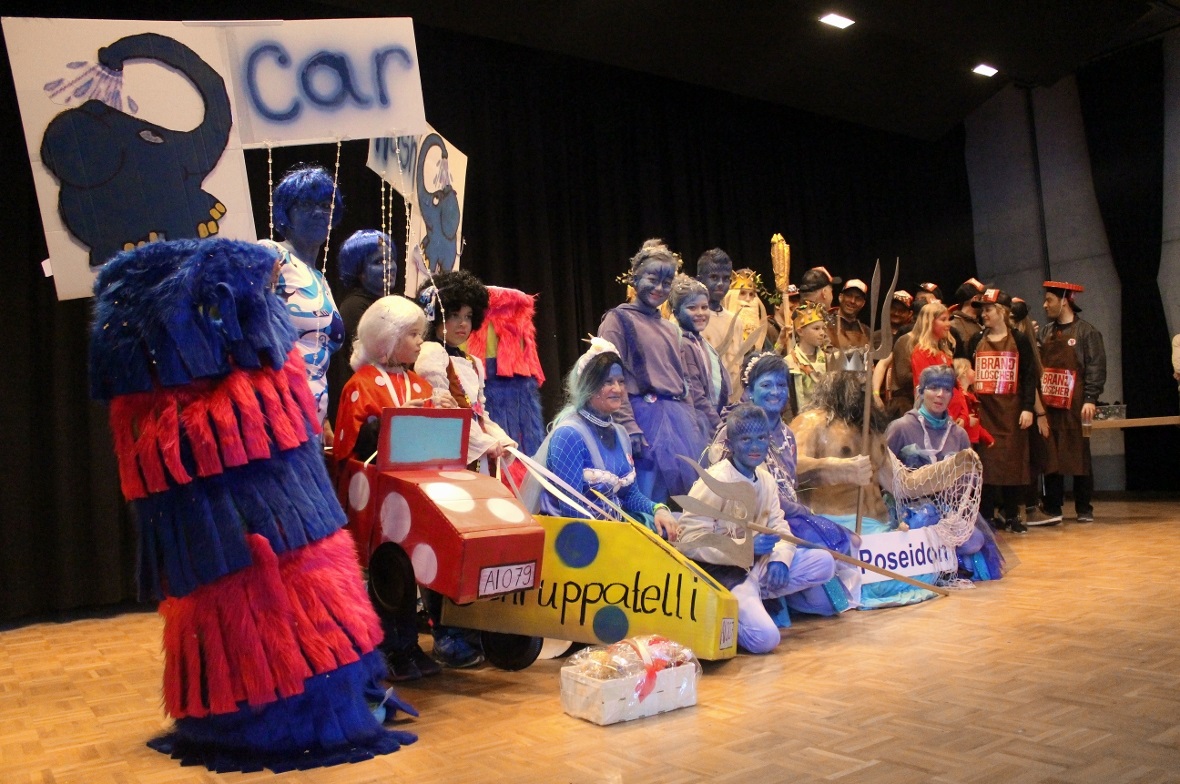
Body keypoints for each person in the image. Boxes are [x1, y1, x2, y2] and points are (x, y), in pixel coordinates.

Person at [90, 239, 415, 771]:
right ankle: (277, 711)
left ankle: (307, 700)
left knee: (291, 574)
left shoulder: (257, 376)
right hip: (240, 513)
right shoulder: (188, 393)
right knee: (250, 583)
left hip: (278, 494)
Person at [334, 295, 457, 680]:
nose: (421, 342)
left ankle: (409, 645)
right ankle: (389, 647)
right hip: (379, 500)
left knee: (410, 574)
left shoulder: (419, 383)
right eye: (413, 335)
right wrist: (391, 424)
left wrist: (442, 411)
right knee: (388, 575)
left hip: (413, 497)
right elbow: (351, 446)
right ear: (387, 339)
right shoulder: (360, 385)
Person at [705, 353, 869, 617]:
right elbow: (739, 493)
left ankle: (781, 593)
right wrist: (800, 514)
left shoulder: (787, 435)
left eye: (781, 385)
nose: (775, 392)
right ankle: (758, 595)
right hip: (750, 527)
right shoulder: (732, 431)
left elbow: (790, 484)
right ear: (749, 391)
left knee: (828, 604)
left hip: (786, 522)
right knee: (822, 538)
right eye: (766, 385)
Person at [677, 404, 837, 654]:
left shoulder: (766, 480)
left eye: (761, 438)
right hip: (726, 574)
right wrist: (746, 548)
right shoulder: (715, 480)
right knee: (766, 639)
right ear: (731, 443)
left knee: (824, 562)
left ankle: (756, 598)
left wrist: (780, 560)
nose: (755, 447)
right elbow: (690, 540)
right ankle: (728, 614)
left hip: (759, 566)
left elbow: (779, 527)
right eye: (746, 439)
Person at [534, 338, 678, 539]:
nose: (617, 389)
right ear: (589, 386)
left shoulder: (620, 433)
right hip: (578, 543)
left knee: (678, 526)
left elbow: (630, 495)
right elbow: (572, 512)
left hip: (614, 533)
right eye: (607, 382)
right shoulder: (569, 435)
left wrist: (658, 509)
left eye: (621, 381)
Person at [598, 241, 708, 503]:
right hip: (644, 422)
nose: (659, 288)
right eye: (652, 279)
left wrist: (693, 422)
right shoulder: (618, 320)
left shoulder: (671, 329)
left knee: (687, 501)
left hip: (678, 424)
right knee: (647, 498)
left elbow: (684, 382)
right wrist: (628, 423)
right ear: (635, 278)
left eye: (666, 282)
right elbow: (610, 377)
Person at [883, 366, 1004, 581]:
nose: (940, 394)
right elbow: (881, 470)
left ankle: (947, 563)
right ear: (921, 391)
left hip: (947, 509)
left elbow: (966, 483)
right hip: (907, 509)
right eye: (933, 387)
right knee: (921, 525)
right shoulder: (901, 427)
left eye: (947, 389)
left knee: (975, 540)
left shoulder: (959, 434)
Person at [259, 166, 346, 431]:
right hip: (274, 413)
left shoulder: (320, 279)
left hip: (313, 417)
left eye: (325, 205)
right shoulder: (269, 253)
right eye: (306, 204)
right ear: (286, 213)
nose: (319, 212)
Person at [966, 289, 1037, 533]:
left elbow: (1029, 375)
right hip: (985, 412)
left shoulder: (1020, 340)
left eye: (988, 309)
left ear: (1002, 312)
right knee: (985, 463)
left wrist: (1028, 408)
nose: (983, 314)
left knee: (1013, 462)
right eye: (982, 310)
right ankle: (986, 514)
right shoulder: (976, 341)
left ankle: (1012, 514)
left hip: (1011, 411)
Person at [1039, 281, 1106, 523]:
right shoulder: (1045, 332)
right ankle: (1053, 507)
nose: (1045, 305)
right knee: (1051, 455)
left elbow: (1096, 367)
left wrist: (1090, 398)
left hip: (1076, 405)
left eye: (1049, 300)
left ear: (1064, 301)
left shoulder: (1087, 332)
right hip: (1049, 405)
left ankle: (1084, 508)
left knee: (1079, 454)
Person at [327, 230, 395, 422]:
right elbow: (374, 359)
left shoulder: (388, 303)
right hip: (367, 404)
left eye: (391, 260)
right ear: (360, 271)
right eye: (379, 262)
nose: (389, 267)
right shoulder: (355, 306)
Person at [670, 274, 730, 437]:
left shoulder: (700, 342)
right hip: (700, 424)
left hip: (712, 418)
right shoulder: (684, 345)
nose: (700, 313)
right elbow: (695, 393)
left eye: (704, 307)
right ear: (676, 313)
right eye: (692, 308)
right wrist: (718, 425)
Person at [909, 301, 967, 426]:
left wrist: (964, 414)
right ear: (929, 323)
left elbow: (957, 387)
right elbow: (927, 390)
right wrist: (946, 418)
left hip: (955, 420)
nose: (948, 324)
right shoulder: (921, 353)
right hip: (936, 421)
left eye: (948, 319)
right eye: (943, 320)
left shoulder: (944, 355)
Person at [696, 248, 743, 401]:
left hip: (733, 401)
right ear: (699, 280)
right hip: (703, 399)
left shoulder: (735, 321)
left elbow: (738, 364)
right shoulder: (691, 319)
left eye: (726, 278)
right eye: (714, 277)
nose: (720, 284)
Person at [785, 301, 829, 417]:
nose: (822, 333)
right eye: (816, 328)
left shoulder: (828, 360)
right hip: (800, 418)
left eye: (823, 328)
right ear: (800, 331)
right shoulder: (789, 362)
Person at [951, 358, 994, 450]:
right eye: (971, 368)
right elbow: (953, 418)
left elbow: (975, 422)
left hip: (970, 440)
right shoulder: (955, 395)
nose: (974, 371)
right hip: (958, 441)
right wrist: (966, 419)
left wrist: (985, 436)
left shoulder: (970, 397)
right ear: (963, 372)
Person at [948, 277, 986, 360]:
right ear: (975, 299)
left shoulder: (980, 323)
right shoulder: (953, 325)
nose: (985, 303)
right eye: (983, 298)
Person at [831, 279, 870, 351]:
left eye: (858, 298)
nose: (852, 301)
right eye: (849, 295)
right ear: (840, 297)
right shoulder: (827, 324)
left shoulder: (867, 331)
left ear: (863, 303)